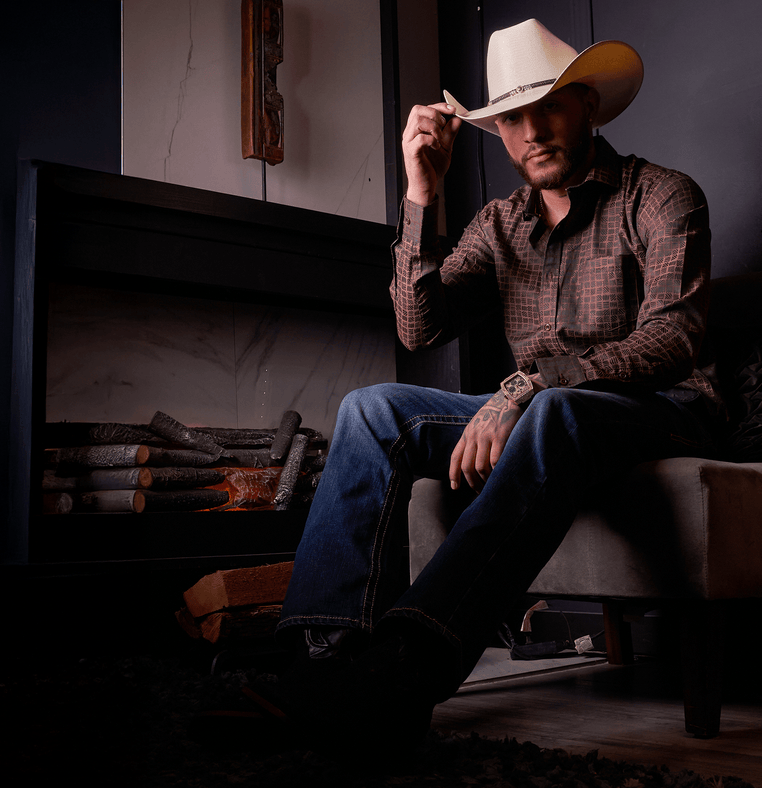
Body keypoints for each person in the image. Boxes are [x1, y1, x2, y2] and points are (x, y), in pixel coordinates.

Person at [255, 18, 721, 751]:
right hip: (543, 412)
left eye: (551, 107)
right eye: (511, 117)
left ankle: (408, 667)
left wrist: (528, 387)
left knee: (556, 413)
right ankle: (327, 661)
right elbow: (419, 328)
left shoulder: (661, 196)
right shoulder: (498, 224)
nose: (532, 130)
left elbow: (676, 338)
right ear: (496, 132)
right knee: (371, 408)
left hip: (661, 409)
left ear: (589, 107)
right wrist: (420, 195)